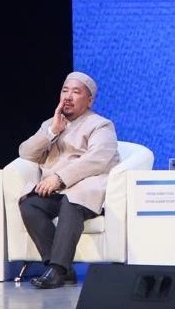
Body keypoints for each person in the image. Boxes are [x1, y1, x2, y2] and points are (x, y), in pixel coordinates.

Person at [16, 72, 119, 289]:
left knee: (71, 202)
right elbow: (25, 152)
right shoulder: (52, 124)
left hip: (84, 188)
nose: (68, 97)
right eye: (65, 91)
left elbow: (97, 159)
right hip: (56, 190)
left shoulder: (101, 125)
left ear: (89, 100)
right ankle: (61, 267)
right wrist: (52, 131)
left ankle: (57, 270)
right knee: (30, 204)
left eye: (76, 92)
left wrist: (59, 178)